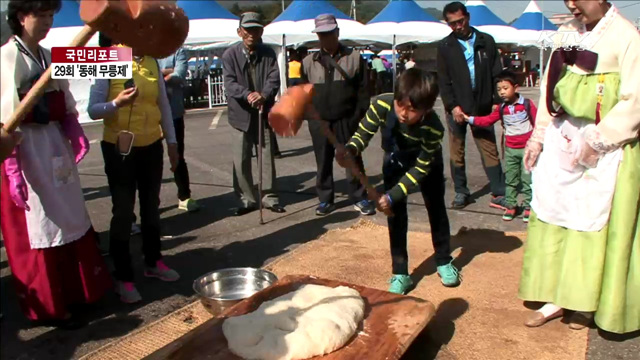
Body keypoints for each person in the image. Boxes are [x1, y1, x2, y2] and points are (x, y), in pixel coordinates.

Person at [518, 0, 640, 334]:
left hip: (605, 146)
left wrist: (597, 141)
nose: (571, 4)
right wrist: (538, 137)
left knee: (591, 222)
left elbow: (635, 101)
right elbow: (549, 88)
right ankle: (555, 295)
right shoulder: (568, 34)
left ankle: (586, 300)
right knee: (556, 216)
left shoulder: (627, 37)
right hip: (562, 138)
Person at [0, 0, 111, 328]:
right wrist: (11, 168)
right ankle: (51, 304)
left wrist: (72, 126)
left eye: (51, 15)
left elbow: (65, 97)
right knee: (41, 226)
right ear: (22, 17)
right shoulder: (6, 57)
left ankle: (79, 293)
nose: (48, 21)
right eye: (41, 15)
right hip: (25, 151)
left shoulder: (51, 56)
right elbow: (7, 117)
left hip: (54, 145)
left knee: (70, 217)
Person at [337, 68, 460, 294]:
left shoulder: (434, 128)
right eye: (400, 105)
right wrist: (350, 150)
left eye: (412, 110)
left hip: (426, 165)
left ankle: (443, 260)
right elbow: (363, 133)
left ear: (427, 108)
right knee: (396, 217)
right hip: (394, 160)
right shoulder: (382, 105)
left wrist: (392, 195)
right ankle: (400, 272)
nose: (403, 113)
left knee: (436, 210)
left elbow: (420, 169)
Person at [88, 37, 180, 304]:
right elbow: (93, 110)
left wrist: (172, 143)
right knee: (124, 210)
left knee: (151, 205)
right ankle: (123, 277)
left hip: (151, 144)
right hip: (119, 147)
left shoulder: (152, 62)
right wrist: (115, 103)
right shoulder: (110, 59)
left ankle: (154, 262)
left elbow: (163, 106)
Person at [301, 14, 375, 216]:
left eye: (329, 33)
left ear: (337, 32)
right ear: (317, 36)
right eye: (322, 34)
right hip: (320, 121)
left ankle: (360, 197)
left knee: (352, 158)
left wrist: (356, 117)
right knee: (322, 161)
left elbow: (364, 92)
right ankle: (325, 199)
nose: (326, 38)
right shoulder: (308, 62)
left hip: (347, 119)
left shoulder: (354, 58)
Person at [437, 1, 507, 210]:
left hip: (483, 105)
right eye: (452, 24)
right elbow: (444, 80)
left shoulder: (486, 41)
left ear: (468, 16)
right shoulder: (445, 46)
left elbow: (497, 73)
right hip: (458, 107)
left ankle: (499, 191)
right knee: (457, 151)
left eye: (460, 21)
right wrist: (452, 106)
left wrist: (496, 101)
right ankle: (461, 191)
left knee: (489, 149)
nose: (458, 26)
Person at [222, 12, 284, 216]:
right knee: (241, 159)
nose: (251, 33)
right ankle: (246, 199)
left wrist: (263, 95)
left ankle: (269, 197)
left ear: (262, 31)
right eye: (247, 29)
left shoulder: (268, 53)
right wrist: (247, 95)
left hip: (262, 112)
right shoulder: (230, 55)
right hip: (240, 114)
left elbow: (274, 78)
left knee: (266, 157)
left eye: (256, 29)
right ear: (240, 32)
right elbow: (230, 84)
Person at [463, 71, 537, 222]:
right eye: (499, 89)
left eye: (505, 88)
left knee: (527, 179)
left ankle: (529, 206)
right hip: (510, 150)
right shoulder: (501, 108)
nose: (502, 92)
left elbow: (538, 123)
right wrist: (469, 119)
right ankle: (511, 205)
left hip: (527, 150)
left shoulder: (527, 105)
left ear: (515, 88)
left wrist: (539, 144)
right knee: (511, 179)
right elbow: (487, 120)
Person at [158, 46, 201, 212]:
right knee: (151, 161)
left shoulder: (178, 50)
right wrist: (166, 72)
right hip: (149, 115)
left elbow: (179, 75)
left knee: (178, 156)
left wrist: (157, 75)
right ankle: (151, 203)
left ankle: (184, 196)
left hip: (173, 112)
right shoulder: (145, 48)